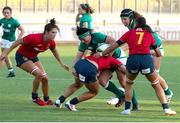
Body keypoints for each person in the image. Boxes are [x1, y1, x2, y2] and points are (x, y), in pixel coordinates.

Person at [102, 16, 176, 115]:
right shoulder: (149, 34)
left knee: (129, 83)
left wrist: (104, 53)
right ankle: (166, 109)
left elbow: (115, 45)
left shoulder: (129, 33)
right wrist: (152, 53)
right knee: (156, 84)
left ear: (135, 24)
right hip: (146, 60)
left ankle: (127, 109)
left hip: (133, 61)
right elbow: (158, 53)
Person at [0, 18, 69, 106]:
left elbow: (55, 51)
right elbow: (18, 42)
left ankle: (46, 99)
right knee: (39, 74)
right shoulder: (34, 38)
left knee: (45, 78)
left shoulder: (51, 43)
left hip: (33, 57)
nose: (55, 35)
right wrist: (5, 53)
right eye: (53, 32)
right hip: (22, 57)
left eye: (56, 33)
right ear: (46, 32)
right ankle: (34, 97)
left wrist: (61, 63)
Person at [120, 8, 173, 103]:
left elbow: (132, 42)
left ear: (131, 18)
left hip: (155, 48)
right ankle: (168, 93)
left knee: (155, 74)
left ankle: (168, 93)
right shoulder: (132, 24)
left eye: (125, 19)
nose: (123, 21)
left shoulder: (135, 25)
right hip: (148, 49)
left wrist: (119, 50)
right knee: (154, 75)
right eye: (122, 19)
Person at [71, 27, 126, 106]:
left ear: (89, 35)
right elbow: (78, 56)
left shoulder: (98, 36)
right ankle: (121, 95)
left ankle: (134, 104)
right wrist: (73, 67)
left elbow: (113, 41)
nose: (82, 41)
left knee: (123, 82)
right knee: (102, 81)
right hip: (107, 59)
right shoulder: (84, 44)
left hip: (118, 56)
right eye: (80, 39)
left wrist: (110, 54)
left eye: (83, 39)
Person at [54, 54, 124, 111]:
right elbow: (123, 69)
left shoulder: (97, 53)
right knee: (93, 92)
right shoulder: (114, 60)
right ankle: (71, 103)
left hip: (80, 63)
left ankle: (59, 101)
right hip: (89, 69)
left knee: (77, 84)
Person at [0, 6, 25, 77]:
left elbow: (22, 30)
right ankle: (11, 71)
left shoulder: (14, 21)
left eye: (8, 13)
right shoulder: (2, 20)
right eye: (4, 13)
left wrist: (18, 39)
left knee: (2, 56)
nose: (6, 14)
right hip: (4, 40)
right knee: (5, 56)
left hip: (10, 41)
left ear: (11, 13)